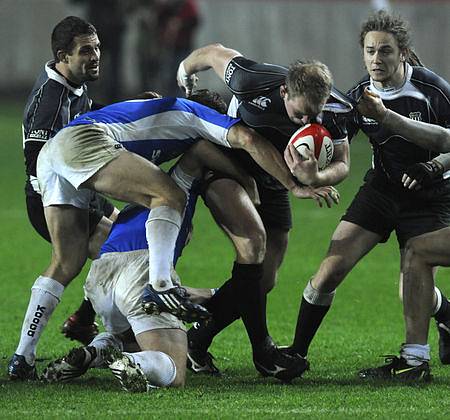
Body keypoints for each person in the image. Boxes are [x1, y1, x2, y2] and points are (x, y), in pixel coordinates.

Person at [8, 90, 315, 381]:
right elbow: (239, 149)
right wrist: (256, 182)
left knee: (67, 263)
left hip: (98, 273)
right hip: (135, 274)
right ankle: (155, 300)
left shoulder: (146, 171)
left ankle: (29, 356)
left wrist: (83, 314)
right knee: (172, 365)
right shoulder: (195, 136)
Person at [282, 9, 450, 381]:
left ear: (402, 53)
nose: (377, 59)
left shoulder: (433, 90)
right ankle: (296, 352)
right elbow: (341, 162)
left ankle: (415, 360)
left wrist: (434, 166)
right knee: (329, 270)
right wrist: (315, 174)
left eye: (386, 51)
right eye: (371, 51)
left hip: (429, 195)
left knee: (413, 281)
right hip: (380, 190)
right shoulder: (358, 97)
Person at [176, 43, 351, 374]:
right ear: (284, 91)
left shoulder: (335, 110)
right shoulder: (250, 79)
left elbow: (343, 163)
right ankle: (264, 353)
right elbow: (213, 52)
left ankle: (195, 339)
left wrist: (317, 176)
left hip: (274, 179)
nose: (307, 122)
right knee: (253, 244)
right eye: (300, 115)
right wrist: (185, 72)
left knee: (263, 279)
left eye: (314, 114)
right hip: (226, 166)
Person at [22, 16, 120, 346]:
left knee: (130, 238)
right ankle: (25, 354)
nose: (95, 56)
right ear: (64, 56)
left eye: (97, 48)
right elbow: (35, 160)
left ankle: (84, 320)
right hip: (54, 198)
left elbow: (89, 111)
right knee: (104, 255)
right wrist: (58, 207)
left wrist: (131, 108)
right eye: (86, 51)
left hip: (82, 189)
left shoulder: (72, 84)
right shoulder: (49, 102)